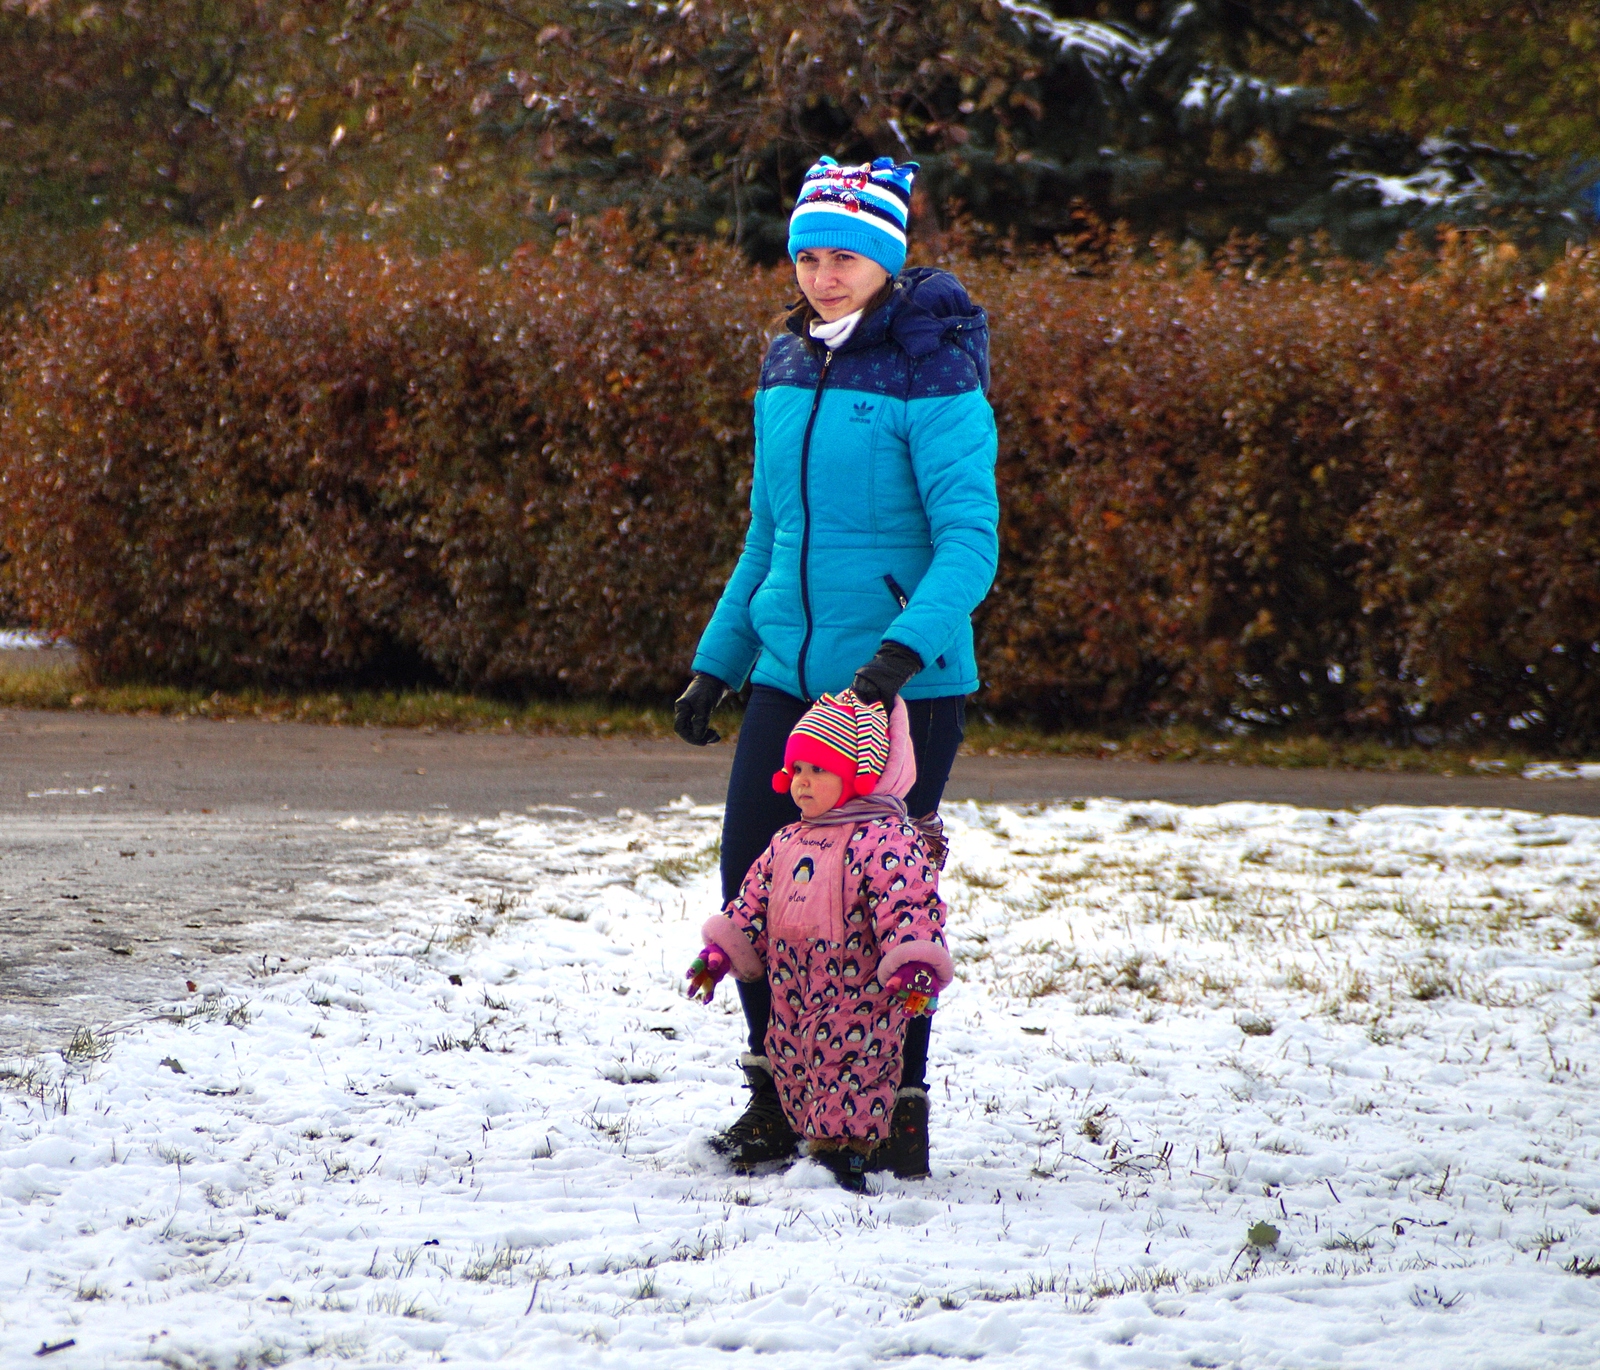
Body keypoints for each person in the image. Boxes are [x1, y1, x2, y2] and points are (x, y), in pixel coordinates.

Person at [672, 154, 999, 1179]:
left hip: (900, 685)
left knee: (882, 900)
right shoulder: (785, 365)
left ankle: (898, 1104)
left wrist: (905, 650)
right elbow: (770, 531)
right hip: (788, 672)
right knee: (755, 887)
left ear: (885, 259)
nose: (823, 273)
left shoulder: (932, 366)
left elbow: (969, 539)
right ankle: (775, 1096)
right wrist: (715, 663)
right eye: (808, 255)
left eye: (846, 256)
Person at [685, 690, 952, 1191]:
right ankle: (810, 1141)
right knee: (791, 1057)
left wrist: (913, 961)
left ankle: (843, 1158)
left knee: (852, 1069)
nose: (803, 783)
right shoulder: (788, 840)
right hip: (793, 987)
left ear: (858, 776)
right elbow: (751, 902)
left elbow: (909, 904)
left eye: (819, 772)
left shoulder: (886, 839)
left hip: (859, 994)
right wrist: (722, 950)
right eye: (799, 770)